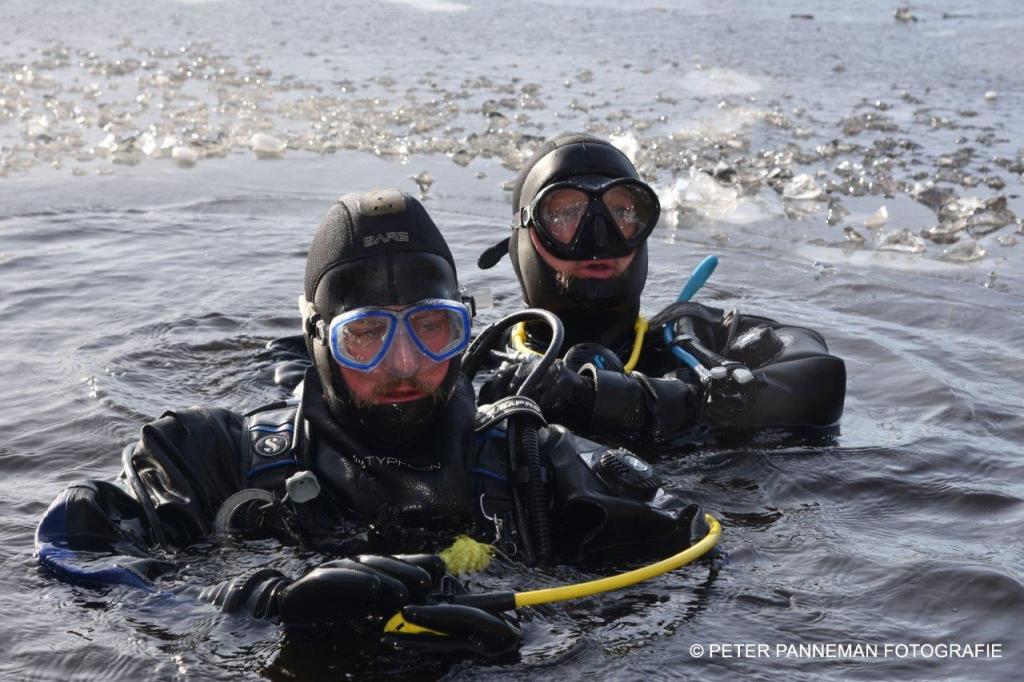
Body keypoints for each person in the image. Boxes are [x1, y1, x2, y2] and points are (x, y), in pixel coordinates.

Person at [35, 189, 710, 660]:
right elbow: (71, 548)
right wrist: (251, 602)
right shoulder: (211, 457)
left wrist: (532, 644)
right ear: (317, 339)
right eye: (366, 337)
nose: (406, 365)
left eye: (434, 328)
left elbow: (693, 562)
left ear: (465, 325)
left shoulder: (534, 462)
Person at [477, 133, 846, 444]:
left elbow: (821, 377)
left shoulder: (693, 343)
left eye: (623, 213)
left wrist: (638, 404)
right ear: (522, 237)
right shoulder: (476, 358)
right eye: (564, 215)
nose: (598, 237)